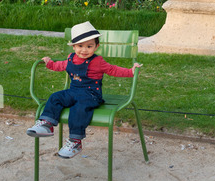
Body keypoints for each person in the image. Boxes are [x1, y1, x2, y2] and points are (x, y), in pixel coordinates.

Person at [26, 21, 142, 158]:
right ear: (74, 46)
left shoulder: (98, 61)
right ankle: (47, 124)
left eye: (89, 46)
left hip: (91, 94)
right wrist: (50, 64)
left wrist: (131, 71)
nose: (84, 50)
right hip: (73, 91)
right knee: (55, 97)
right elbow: (61, 65)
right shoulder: (70, 58)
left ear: (96, 46)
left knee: (79, 109)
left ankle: (75, 142)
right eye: (80, 46)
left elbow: (113, 69)